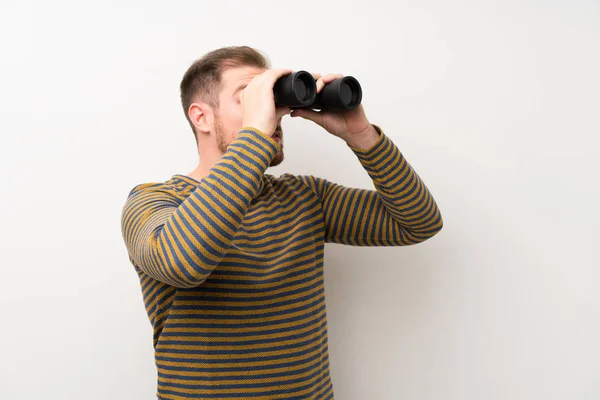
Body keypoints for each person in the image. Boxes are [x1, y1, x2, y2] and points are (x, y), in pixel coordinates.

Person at [120, 45, 443, 400]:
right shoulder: (153, 202)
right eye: (250, 99)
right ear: (202, 118)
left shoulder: (304, 197)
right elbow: (182, 262)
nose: (271, 113)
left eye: (271, 98)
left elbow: (418, 222)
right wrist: (255, 135)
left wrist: (362, 135)